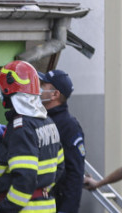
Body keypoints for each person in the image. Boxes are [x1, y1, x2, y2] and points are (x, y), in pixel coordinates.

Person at [0, 60, 64, 213]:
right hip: (44, 206)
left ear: (10, 92)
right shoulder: (47, 122)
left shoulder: (21, 128)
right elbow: (59, 166)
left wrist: (6, 209)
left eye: (3, 90)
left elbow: (25, 180)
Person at [39, 69, 86, 213]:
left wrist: (68, 210)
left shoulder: (69, 126)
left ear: (55, 94)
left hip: (57, 203)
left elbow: (75, 173)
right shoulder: (39, 118)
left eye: (43, 85)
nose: (38, 87)